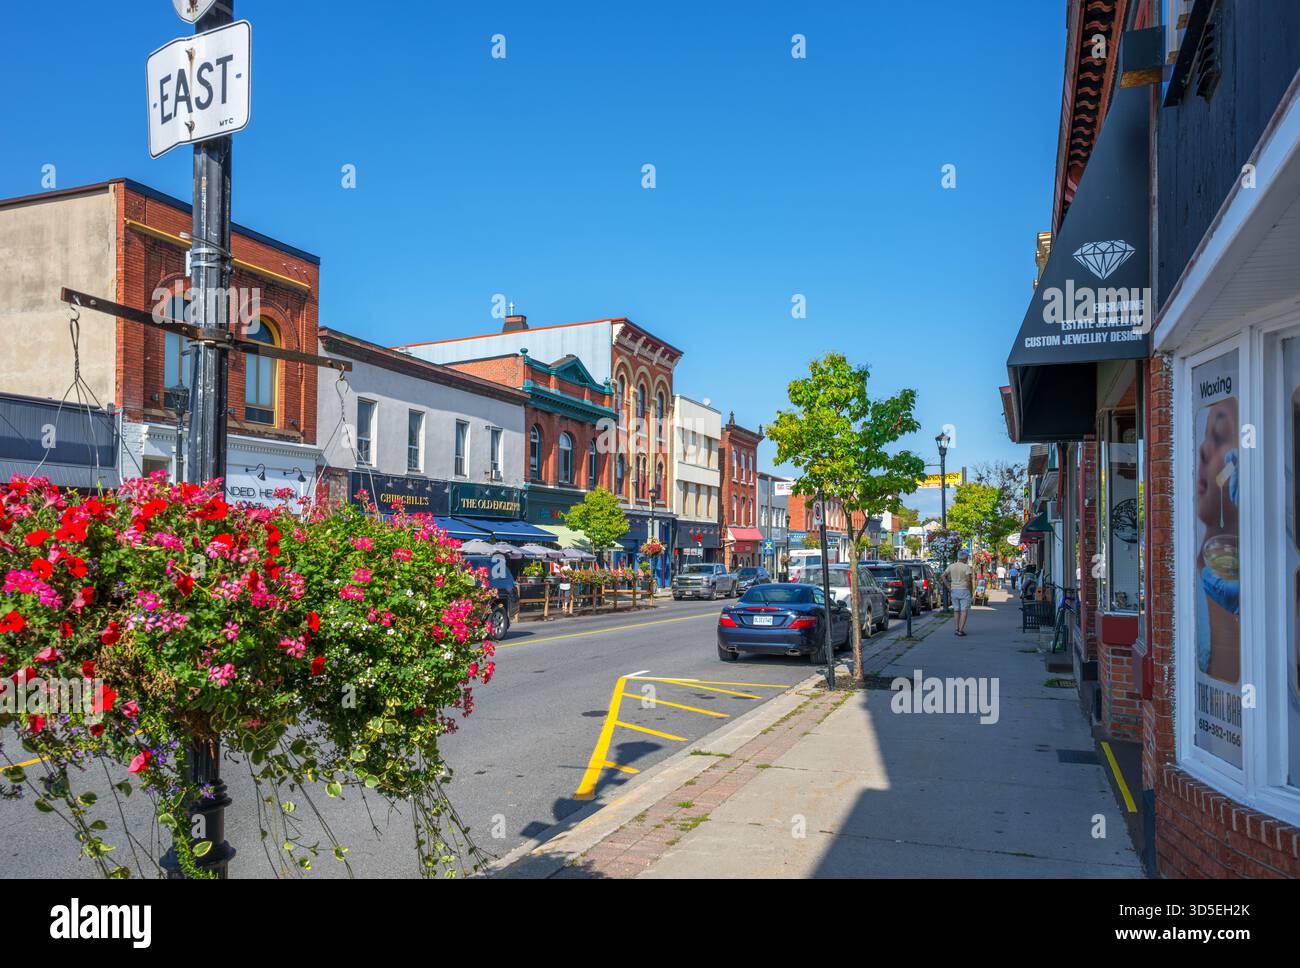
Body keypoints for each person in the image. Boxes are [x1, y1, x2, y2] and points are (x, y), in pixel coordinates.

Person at [941, 550, 976, 636]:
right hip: (964, 589)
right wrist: (971, 591)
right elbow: (968, 580)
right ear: (966, 559)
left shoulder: (951, 566)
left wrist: (948, 586)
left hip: (954, 590)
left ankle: (956, 628)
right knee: (964, 610)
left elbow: (942, 576)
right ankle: (960, 630)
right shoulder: (966, 567)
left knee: (956, 610)